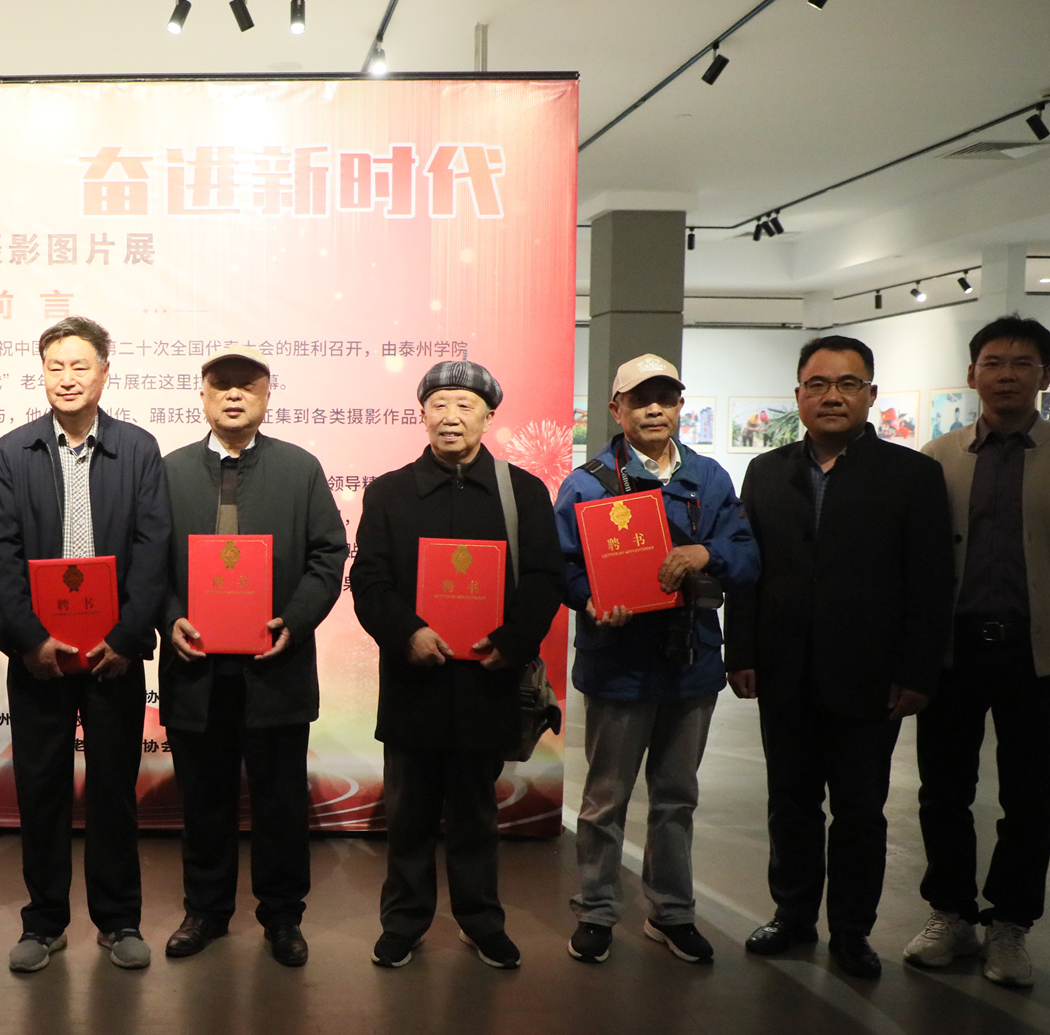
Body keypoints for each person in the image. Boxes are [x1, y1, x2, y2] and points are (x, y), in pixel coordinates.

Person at [904, 315, 1050, 986]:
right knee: (944, 791)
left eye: (1022, 363)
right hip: (952, 653)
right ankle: (950, 912)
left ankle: (1010, 924)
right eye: (993, 362)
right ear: (972, 374)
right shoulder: (938, 456)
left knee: (1029, 798)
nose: (1006, 375)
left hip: (1038, 656)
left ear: (1045, 376)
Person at [725, 336, 953, 978]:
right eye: (818, 384)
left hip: (870, 677)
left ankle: (853, 930)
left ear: (870, 394)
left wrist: (917, 671)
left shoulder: (912, 475)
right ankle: (793, 915)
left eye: (848, 384)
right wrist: (740, 650)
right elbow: (748, 569)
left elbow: (930, 581)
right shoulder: (767, 471)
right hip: (784, 669)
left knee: (859, 811)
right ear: (798, 395)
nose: (832, 396)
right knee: (790, 803)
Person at [350, 361, 563, 970]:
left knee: (476, 812)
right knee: (409, 814)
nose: (451, 416)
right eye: (439, 404)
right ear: (422, 414)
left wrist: (513, 641)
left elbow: (545, 577)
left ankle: (481, 920)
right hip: (414, 678)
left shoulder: (523, 492)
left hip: (487, 680)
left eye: (465, 405)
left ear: (488, 417)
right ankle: (404, 922)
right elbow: (369, 580)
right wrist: (407, 634)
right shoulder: (389, 492)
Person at [551, 355, 759, 965]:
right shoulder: (587, 484)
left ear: (679, 407)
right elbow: (561, 565)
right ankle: (596, 911)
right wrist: (590, 599)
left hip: (690, 662)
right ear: (615, 409)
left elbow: (747, 557)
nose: (653, 410)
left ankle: (672, 913)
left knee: (676, 797)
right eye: (639, 400)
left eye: (665, 399)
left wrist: (705, 555)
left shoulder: (709, 478)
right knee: (605, 798)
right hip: (618, 663)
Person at [0, 317, 170, 974]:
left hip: (115, 655)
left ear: (104, 373)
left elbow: (154, 548)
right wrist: (30, 639)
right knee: (41, 788)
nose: (67, 377)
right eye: (55, 366)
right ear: (42, 373)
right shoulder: (13, 452)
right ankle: (44, 921)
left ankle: (119, 920)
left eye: (80, 365)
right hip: (41, 658)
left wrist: (126, 637)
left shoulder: (138, 449)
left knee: (114, 788)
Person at [158, 346, 347, 967]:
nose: (234, 395)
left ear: (267, 397)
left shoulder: (300, 468)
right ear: (203, 396)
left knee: (281, 801)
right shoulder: (169, 470)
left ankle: (283, 916)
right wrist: (169, 616)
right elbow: (146, 558)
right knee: (203, 799)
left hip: (276, 665)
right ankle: (205, 911)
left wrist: (295, 619)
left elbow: (328, 553)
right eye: (222, 385)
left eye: (248, 386)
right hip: (196, 668)